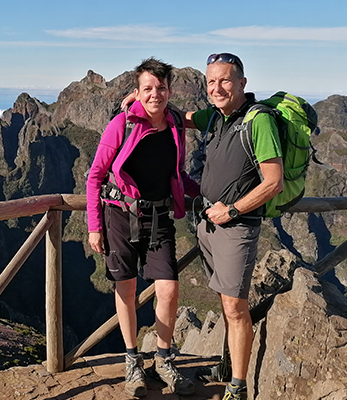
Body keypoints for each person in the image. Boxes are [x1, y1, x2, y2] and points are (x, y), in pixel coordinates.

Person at [121, 53, 283, 400]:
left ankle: (236, 388)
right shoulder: (217, 117)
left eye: (225, 80)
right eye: (211, 82)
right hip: (208, 223)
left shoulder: (259, 121)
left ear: (242, 82)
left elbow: (273, 182)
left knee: (235, 308)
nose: (217, 87)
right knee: (226, 303)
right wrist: (144, 97)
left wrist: (233, 210)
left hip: (235, 226)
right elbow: (180, 118)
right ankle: (228, 369)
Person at [86, 57, 199, 398]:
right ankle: (133, 359)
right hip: (119, 216)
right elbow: (94, 176)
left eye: (161, 88)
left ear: (170, 91)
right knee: (127, 289)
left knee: (167, 288)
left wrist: (207, 193)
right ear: (136, 92)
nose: (155, 94)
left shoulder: (176, 125)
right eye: (147, 88)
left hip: (159, 216)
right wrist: (94, 227)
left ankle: (163, 359)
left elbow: (179, 174)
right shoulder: (121, 125)